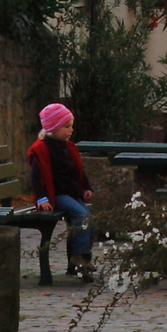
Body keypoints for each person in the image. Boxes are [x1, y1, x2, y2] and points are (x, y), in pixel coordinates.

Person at [28, 103, 95, 281]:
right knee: (81, 215)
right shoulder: (41, 150)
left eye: (71, 126)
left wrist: (86, 187)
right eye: (66, 127)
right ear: (53, 128)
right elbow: (36, 178)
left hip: (72, 193)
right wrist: (42, 198)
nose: (70, 130)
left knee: (90, 218)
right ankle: (79, 257)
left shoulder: (68, 147)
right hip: (55, 195)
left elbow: (79, 170)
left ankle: (84, 257)